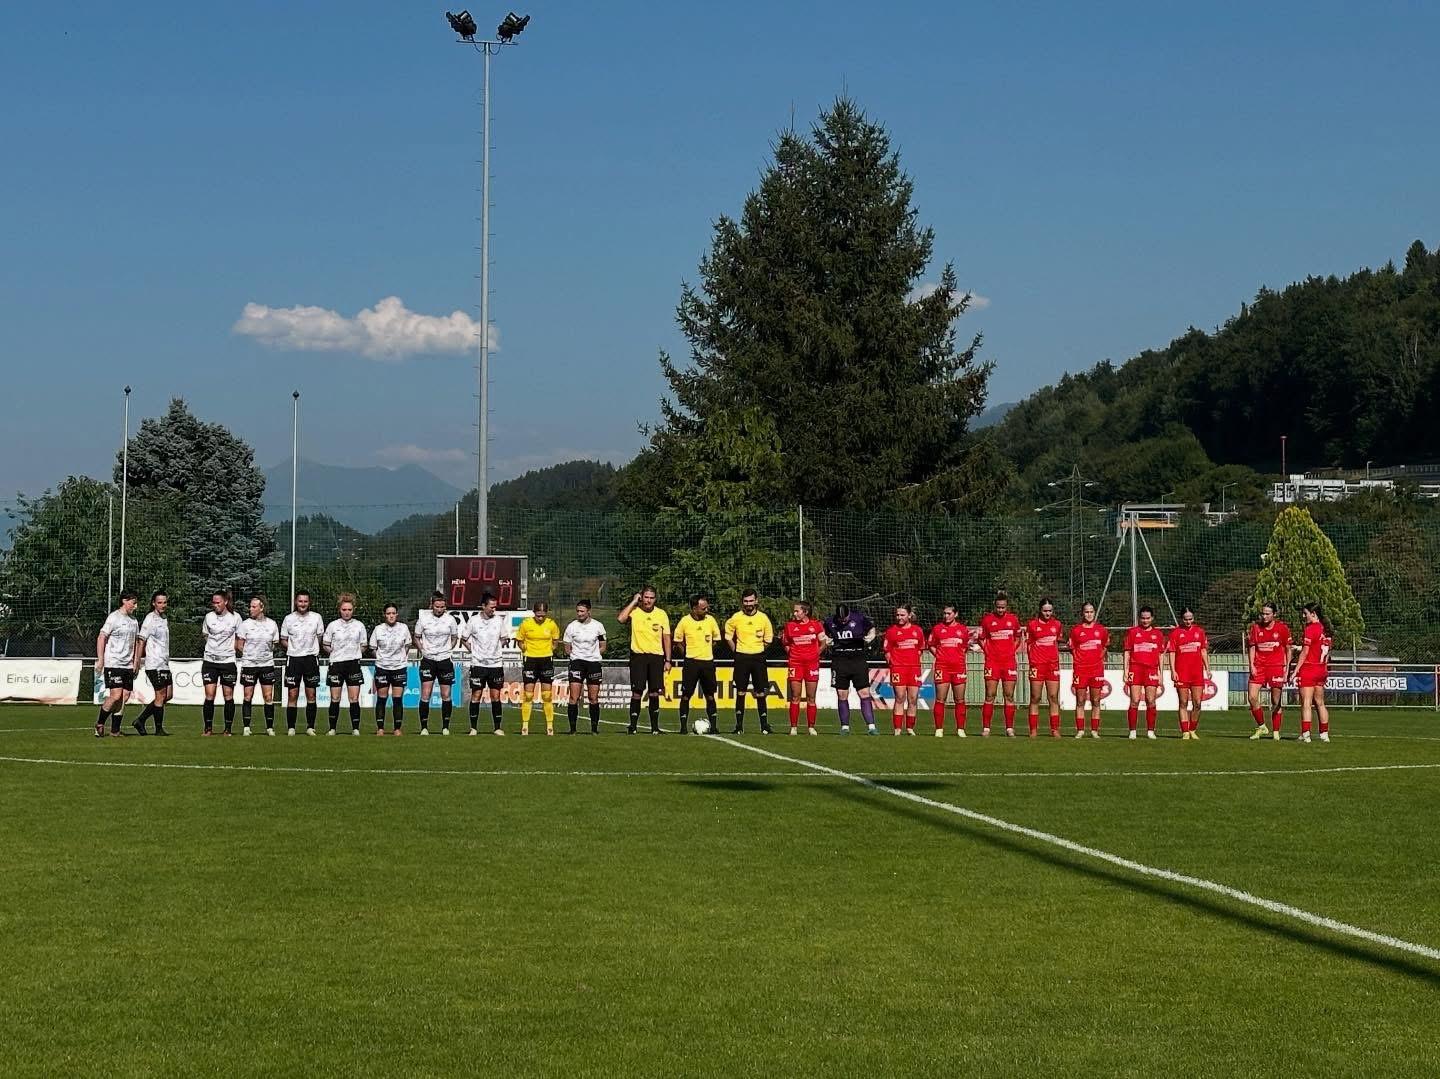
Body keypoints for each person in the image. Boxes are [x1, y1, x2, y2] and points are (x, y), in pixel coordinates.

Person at [618, 586, 671, 735]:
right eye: (646, 597)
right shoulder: (635, 612)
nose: (648, 600)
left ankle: (655, 728)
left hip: (656, 657)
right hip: (638, 657)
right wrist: (634, 601)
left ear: (655, 599)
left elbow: (666, 638)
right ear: (642, 597)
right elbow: (621, 619)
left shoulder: (661, 614)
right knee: (637, 692)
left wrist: (668, 660)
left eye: (651, 598)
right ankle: (633, 726)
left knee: (654, 692)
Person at [725, 589, 775, 735]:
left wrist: (758, 649)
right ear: (742, 602)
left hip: (758, 657)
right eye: (746, 601)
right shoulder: (736, 618)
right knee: (740, 692)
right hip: (741, 658)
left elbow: (768, 639)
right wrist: (736, 651)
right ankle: (739, 726)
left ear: (756, 601)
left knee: (760, 692)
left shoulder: (763, 618)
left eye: (751, 601)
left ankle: (764, 726)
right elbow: (728, 636)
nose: (748, 604)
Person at [823, 604, 877, 735]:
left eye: (845, 619)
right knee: (842, 694)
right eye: (840, 619)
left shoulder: (859, 618)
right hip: (839, 660)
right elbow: (822, 634)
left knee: (864, 693)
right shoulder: (830, 622)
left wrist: (869, 638)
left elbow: (872, 630)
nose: (843, 621)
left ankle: (871, 727)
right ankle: (845, 727)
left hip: (858, 659)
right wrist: (827, 640)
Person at [460, 592, 508, 735]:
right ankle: (473, 728)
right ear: (483, 606)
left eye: (495, 607)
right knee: (476, 695)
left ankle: (497, 728)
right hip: (478, 664)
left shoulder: (499, 620)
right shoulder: (473, 621)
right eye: (491, 607)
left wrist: (497, 646)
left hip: (495, 664)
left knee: (495, 696)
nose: (494, 609)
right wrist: (472, 651)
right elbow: (463, 639)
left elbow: (505, 638)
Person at [94, 589, 140, 738]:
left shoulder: (134, 621)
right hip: (113, 663)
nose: (136, 606)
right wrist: (100, 659)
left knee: (125, 696)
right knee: (115, 695)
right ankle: (100, 723)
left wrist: (136, 662)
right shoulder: (113, 618)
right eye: (133, 603)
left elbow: (136, 643)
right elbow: (102, 637)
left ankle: (115, 730)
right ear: (124, 601)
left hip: (127, 664)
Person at [672, 595, 721, 735]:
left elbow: (716, 639)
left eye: (707, 607)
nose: (707, 609)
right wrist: (687, 653)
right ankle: (683, 727)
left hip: (707, 663)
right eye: (703, 608)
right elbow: (677, 641)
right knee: (686, 695)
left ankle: (714, 726)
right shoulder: (684, 621)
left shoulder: (710, 620)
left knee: (710, 695)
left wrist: (707, 651)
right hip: (691, 663)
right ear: (694, 608)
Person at [977, 592, 1022, 736]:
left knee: (1009, 695)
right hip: (992, 662)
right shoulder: (987, 620)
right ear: (995, 606)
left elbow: (1018, 638)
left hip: (1008, 662)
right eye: (998, 607)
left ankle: (1009, 728)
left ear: (1006, 606)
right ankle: (986, 728)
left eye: (1003, 607)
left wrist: (1011, 651)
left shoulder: (1013, 620)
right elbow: (980, 639)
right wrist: (987, 652)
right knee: (990, 694)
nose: (1000, 610)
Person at [281, 589, 325, 735]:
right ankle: (291, 728)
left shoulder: (317, 618)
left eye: (305, 601)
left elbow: (319, 638)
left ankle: (310, 727)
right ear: (296, 602)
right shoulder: (288, 619)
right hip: (293, 659)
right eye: (300, 601)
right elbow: (283, 639)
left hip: (311, 659)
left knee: (311, 694)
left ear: (309, 602)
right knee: (292, 694)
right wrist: (295, 649)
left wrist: (308, 649)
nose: (303, 604)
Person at [414, 591, 459, 735]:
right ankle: (424, 727)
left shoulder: (450, 620)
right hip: (428, 660)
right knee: (425, 693)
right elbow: (416, 637)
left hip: (445, 660)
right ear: (431, 605)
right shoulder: (423, 619)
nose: (439, 609)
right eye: (437, 606)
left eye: (442, 607)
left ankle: (445, 727)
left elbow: (454, 637)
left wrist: (448, 649)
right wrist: (423, 649)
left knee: (446, 694)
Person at [514, 601, 561, 735]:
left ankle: (550, 726)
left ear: (546, 613)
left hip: (546, 660)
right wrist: (524, 649)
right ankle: (525, 726)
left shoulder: (551, 624)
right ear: (534, 613)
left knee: (547, 695)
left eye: (543, 615)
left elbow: (555, 641)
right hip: (530, 660)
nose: (540, 618)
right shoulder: (526, 623)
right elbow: (519, 640)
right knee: (528, 695)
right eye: (538, 615)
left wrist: (549, 651)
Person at [1247, 603, 1292, 741]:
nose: (1264, 616)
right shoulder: (1255, 628)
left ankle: (1276, 731)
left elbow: (1288, 649)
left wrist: (1287, 669)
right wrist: (1252, 666)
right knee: (1252, 697)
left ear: (1274, 614)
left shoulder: (1282, 628)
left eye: (1267, 613)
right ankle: (1262, 726)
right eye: (1263, 613)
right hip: (1259, 666)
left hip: (1276, 666)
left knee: (1275, 701)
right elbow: (1252, 647)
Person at [322, 594, 367, 735]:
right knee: (335, 698)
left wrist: (354, 654)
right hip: (336, 665)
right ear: (339, 610)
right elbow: (325, 644)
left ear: (353, 610)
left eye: (349, 609)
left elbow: (364, 645)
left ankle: (355, 729)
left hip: (353, 664)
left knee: (354, 698)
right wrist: (335, 654)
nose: (347, 612)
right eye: (344, 609)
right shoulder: (333, 625)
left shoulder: (359, 625)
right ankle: (332, 729)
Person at [237, 595, 281, 736]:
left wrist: (263, 654)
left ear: (262, 608)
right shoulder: (245, 625)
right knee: (248, 695)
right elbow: (239, 645)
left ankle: (269, 728)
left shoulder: (272, 624)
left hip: (266, 664)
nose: (251, 609)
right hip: (249, 665)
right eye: (250, 606)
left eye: (254, 606)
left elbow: (274, 644)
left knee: (268, 696)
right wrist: (250, 654)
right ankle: (246, 727)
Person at [201, 590, 242, 736]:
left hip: (228, 662)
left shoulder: (235, 617)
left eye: (218, 602)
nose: (215, 605)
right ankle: (208, 729)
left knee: (228, 695)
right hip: (210, 661)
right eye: (214, 602)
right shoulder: (208, 617)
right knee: (209, 694)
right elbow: (206, 635)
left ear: (225, 602)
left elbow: (239, 638)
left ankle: (228, 729)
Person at [132, 590, 172, 736]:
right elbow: (141, 640)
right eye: (159, 602)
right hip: (154, 664)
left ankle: (140, 720)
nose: (162, 605)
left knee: (168, 695)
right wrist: (137, 661)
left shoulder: (164, 618)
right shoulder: (150, 619)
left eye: (165, 602)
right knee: (160, 695)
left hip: (164, 663)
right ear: (153, 603)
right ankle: (158, 729)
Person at [563, 599, 607, 734]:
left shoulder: (598, 626)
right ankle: (573, 729)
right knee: (573, 697)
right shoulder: (572, 626)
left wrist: (592, 655)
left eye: (582, 611)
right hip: (577, 663)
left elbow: (603, 646)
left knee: (593, 698)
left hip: (593, 664)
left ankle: (594, 729)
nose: (579, 614)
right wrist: (576, 656)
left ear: (589, 611)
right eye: (578, 611)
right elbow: (567, 647)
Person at [781, 601, 825, 736]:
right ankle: (793, 727)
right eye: (794, 611)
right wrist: (793, 654)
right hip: (795, 664)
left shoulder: (816, 625)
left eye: (797, 611)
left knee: (811, 697)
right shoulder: (789, 626)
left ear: (805, 612)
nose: (794, 613)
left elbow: (823, 643)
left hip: (812, 664)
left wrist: (815, 655)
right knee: (795, 696)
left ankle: (811, 727)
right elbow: (785, 643)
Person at [1167, 607, 1211, 741]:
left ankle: (1193, 729)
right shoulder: (1175, 633)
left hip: (1196, 673)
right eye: (1186, 619)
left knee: (1197, 703)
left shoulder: (1200, 632)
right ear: (1182, 619)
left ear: (1194, 618)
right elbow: (1172, 653)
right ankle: (1185, 731)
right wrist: (1173, 671)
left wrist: (1207, 668)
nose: (1188, 621)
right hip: (1182, 673)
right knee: (1183, 702)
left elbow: (1203, 651)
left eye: (1190, 619)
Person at [928, 605, 971, 737]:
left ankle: (960, 729)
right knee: (941, 699)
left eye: (949, 613)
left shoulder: (962, 629)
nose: (946, 616)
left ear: (955, 614)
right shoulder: (937, 629)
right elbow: (931, 645)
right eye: (945, 613)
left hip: (958, 667)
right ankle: (939, 729)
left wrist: (956, 657)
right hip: (942, 667)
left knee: (960, 699)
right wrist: (940, 656)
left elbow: (964, 647)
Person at [1293, 603, 1334, 744]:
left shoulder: (1311, 629)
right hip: (1321, 669)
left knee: (1306, 703)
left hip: (1309, 669)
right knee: (1320, 703)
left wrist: (1295, 670)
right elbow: (1322, 651)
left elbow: (1305, 653)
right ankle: (1324, 734)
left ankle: (1306, 735)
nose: (1304, 616)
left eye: (1306, 613)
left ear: (1314, 613)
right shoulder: (1326, 630)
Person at [1123, 606, 1165, 740]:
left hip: (1151, 669)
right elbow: (1127, 652)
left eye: (1148, 618)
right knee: (1134, 700)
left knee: (1150, 700)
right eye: (1143, 618)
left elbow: (1160, 655)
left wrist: (1161, 673)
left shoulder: (1158, 634)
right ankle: (1132, 731)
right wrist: (1125, 671)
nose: (1145, 621)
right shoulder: (1132, 632)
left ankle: (1151, 731)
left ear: (1152, 618)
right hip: (1135, 669)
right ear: (1139, 618)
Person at [370, 604, 412, 735]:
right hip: (382, 668)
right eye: (388, 613)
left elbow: (407, 645)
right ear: (384, 615)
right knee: (382, 698)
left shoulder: (403, 628)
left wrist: (400, 659)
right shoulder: (378, 629)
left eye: (393, 613)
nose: (391, 616)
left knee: (397, 699)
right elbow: (372, 648)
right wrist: (381, 659)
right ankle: (380, 728)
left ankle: (397, 728)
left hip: (399, 667)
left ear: (397, 614)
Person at [1068, 603, 1109, 738]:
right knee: (1080, 701)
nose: (1089, 614)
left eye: (1091, 612)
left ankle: (1094, 731)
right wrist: (1079, 660)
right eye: (1086, 612)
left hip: (1096, 670)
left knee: (1096, 700)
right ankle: (1080, 730)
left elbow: (1104, 647)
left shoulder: (1101, 630)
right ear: (1082, 613)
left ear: (1094, 613)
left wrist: (1098, 659)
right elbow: (1072, 648)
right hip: (1080, 670)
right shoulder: (1076, 630)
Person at [883, 605, 926, 735]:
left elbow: (920, 649)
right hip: (898, 668)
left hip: (914, 668)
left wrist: (913, 660)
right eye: (897, 615)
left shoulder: (917, 630)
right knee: (900, 697)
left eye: (902, 615)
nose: (899, 617)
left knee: (913, 698)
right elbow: (887, 651)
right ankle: (897, 729)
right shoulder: (891, 631)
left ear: (909, 615)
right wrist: (893, 664)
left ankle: (910, 728)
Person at [1025, 599, 1065, 738]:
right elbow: (1028, 644)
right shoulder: (1032, 625)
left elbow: (1058, 642)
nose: (1048, 613)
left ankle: (1054, 729)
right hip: (1037, 665)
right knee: (1035, 697)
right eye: (1045, 610)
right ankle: (1033, 730)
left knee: (1053, 697)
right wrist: (1033, 661)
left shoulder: (1057, 625)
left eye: (1050, 611)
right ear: (1040, 610)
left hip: (1053, 665)